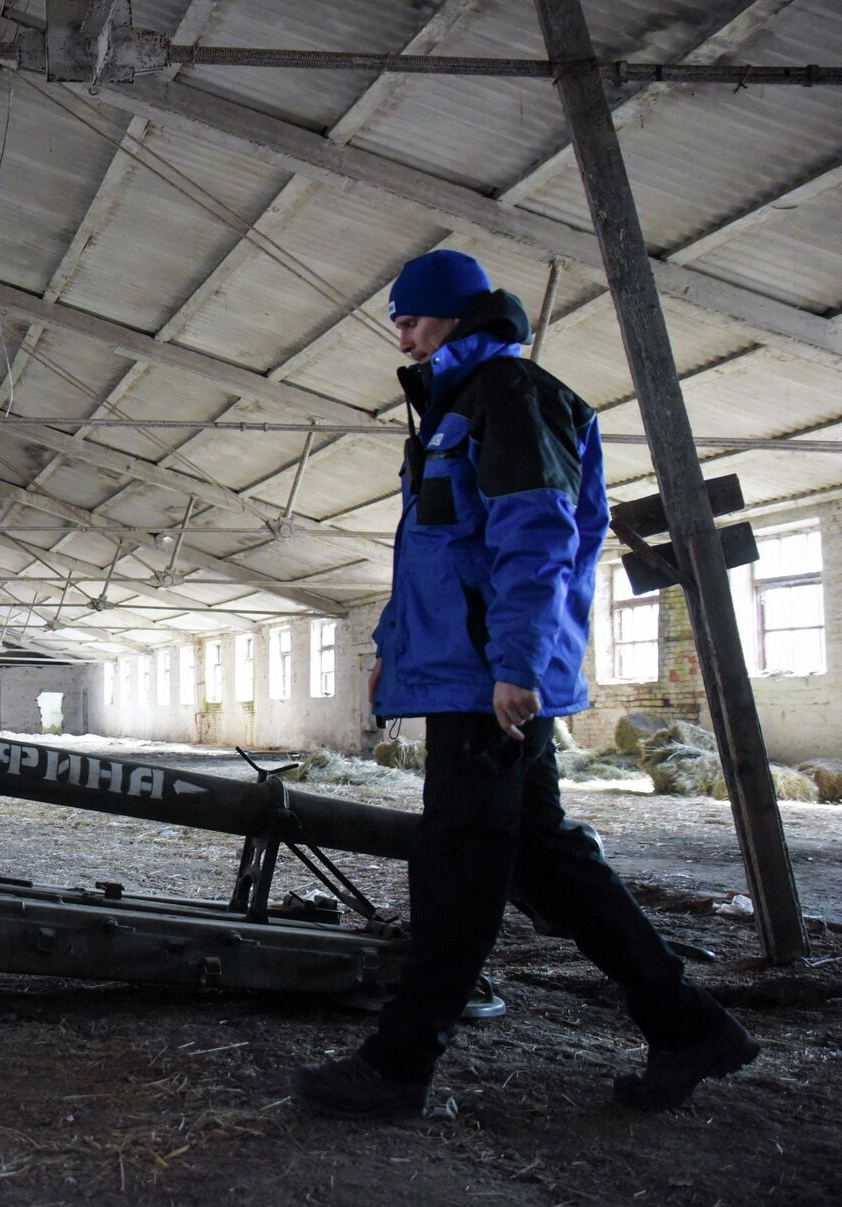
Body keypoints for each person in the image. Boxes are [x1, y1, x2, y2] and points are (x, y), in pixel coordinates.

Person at [291, 250, 757, 1120]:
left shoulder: (510, 395)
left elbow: (536, 536)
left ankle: (398, 1065)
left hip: (488, 683)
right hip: (465, 672)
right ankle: (689, 1026)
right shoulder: (454, 407)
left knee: (456, 864)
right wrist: (394, 648)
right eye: (399, 323)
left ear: (457, 316)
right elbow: (435, 556)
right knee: (545, 860)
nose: (403, 337)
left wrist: (517, 662)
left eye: (413, 320)